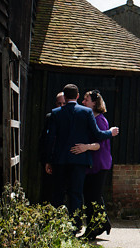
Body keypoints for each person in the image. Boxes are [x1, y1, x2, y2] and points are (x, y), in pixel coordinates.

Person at [45, 84, 118, 231]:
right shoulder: (86, 113)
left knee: (58, 193)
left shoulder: (55, 113)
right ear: (77, 96)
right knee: (76, 194)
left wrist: (48, 160)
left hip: (60, 160)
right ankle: (75, 225)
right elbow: (97, 134)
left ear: (64, 97)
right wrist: (110, 133)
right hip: (79, 160)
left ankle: (55, 225)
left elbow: (50, 139)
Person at [75, 90, 113, 240]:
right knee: (93, 196)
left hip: (99, 163)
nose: (83, 102)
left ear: (94, 103)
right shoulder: (92, 118)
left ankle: (93, 230)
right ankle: (103, 223)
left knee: (92, 198)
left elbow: (99, 144)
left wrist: (85, 147)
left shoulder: (100, 120)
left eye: (86, 99)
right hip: (92, 163)